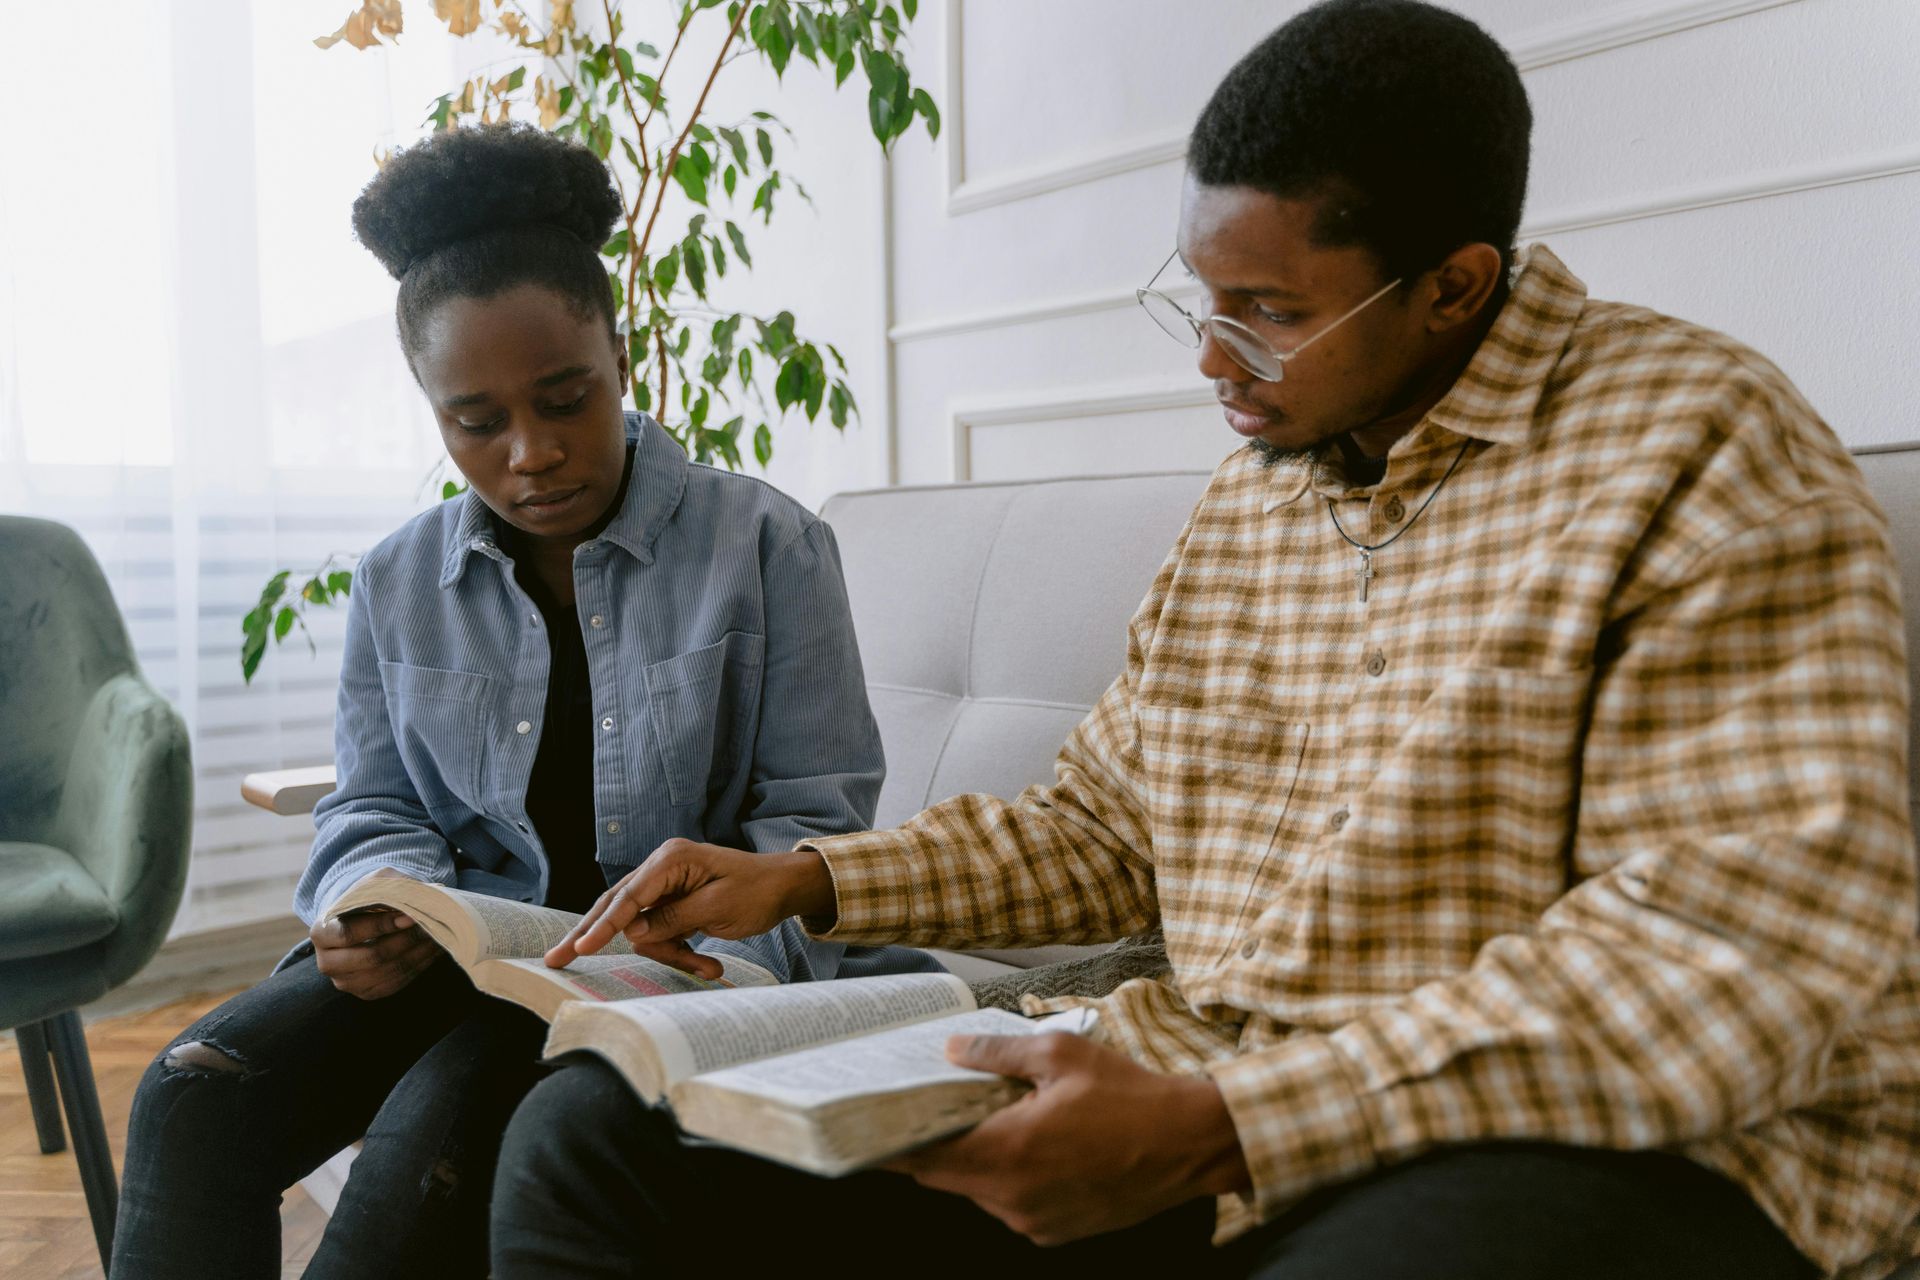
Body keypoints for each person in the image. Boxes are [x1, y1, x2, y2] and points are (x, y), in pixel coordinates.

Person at [487, 2, 1920, 1278]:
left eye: (1268, 313)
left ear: (1457, 286)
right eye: (1202, 296)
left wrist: (1235, 1124)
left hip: (1587, 1142)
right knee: (598, 1134)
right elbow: (1112, 829)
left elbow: (1720, 960)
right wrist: (804, 881)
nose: (1210, 358)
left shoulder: (1701, 448)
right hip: (1206, 1088)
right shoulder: (1258, 494)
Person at [111, 123, 938, 1279]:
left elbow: (818, 825)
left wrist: (703, 916)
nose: (532, 453)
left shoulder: (766, 545)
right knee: (190, 1093)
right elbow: (373, 801)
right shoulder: (401, 578)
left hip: (658, 979)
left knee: (424, 1156)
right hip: (457, 957)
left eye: (566, 399)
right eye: (477, 421)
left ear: (620, 355)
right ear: (430, 405)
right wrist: (361, 902)